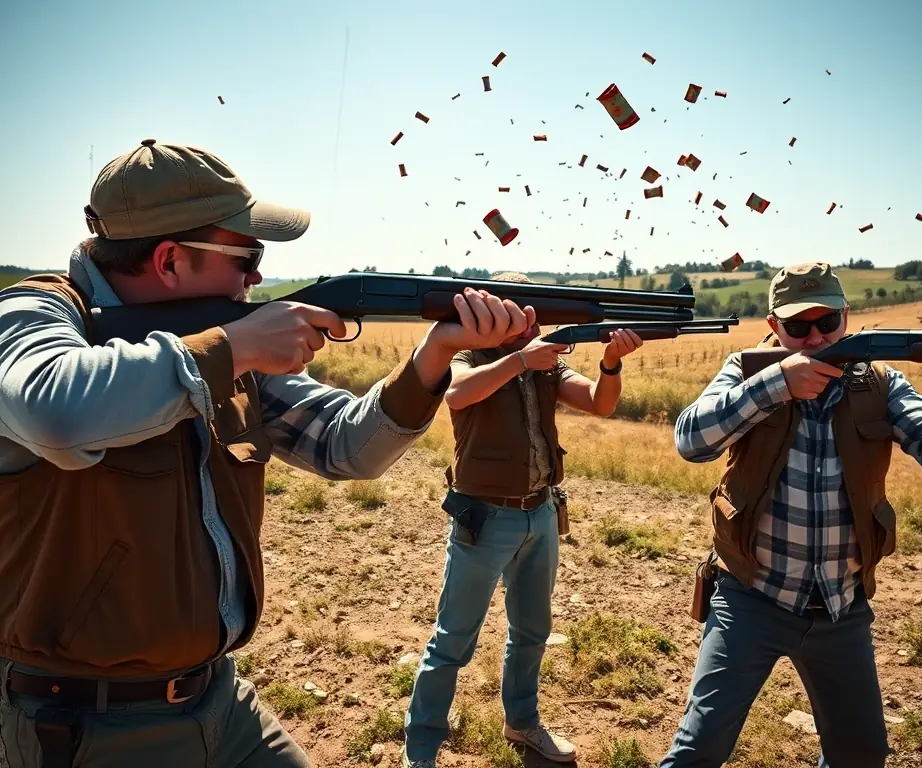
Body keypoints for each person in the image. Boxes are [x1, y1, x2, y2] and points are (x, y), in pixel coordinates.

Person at [0, 139, 538, 768]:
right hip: (82, 724)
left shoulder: (222, 334)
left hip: (220, 698)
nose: (257, 278)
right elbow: (55, 411)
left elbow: (344, 447)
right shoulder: (34, 313)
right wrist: (230, 347)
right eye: (247, 256)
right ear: (171, 260)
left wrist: (433, 357)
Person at [659, 262, 922, 768]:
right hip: (751, 596)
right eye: (797, 327)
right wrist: (776, 385)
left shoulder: (878, 382)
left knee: (861, 754)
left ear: (846, 318)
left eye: (827, 323)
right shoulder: (748, 371)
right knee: (699, 751)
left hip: (841, 606)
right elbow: (690, 442)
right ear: (773, 327)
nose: (814, 338)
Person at [401, 272, 643, 768]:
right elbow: (457, 394)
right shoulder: (471, 356)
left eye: (533, 315)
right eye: (519, 313)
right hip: (485, 519)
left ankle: (522, 723)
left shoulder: (545, 364)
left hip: (542, 513)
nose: (529, 324)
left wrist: (611, 362)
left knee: (532, 631)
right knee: (452, 642)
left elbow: (601, 402)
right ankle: (421, 750)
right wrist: (518, 361)